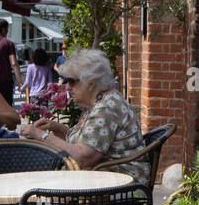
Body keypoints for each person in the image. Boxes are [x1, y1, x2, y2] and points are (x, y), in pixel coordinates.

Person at [17, 47, 149, 183]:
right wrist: (55, 127)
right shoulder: (100, 103)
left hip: (121, 184)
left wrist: (41, 136)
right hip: (109, 179)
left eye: (72, 81)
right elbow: (87, 142)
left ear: (91, 82)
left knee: (39, 184)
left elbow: (83, 158)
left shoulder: (105, 109)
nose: (68, 87)